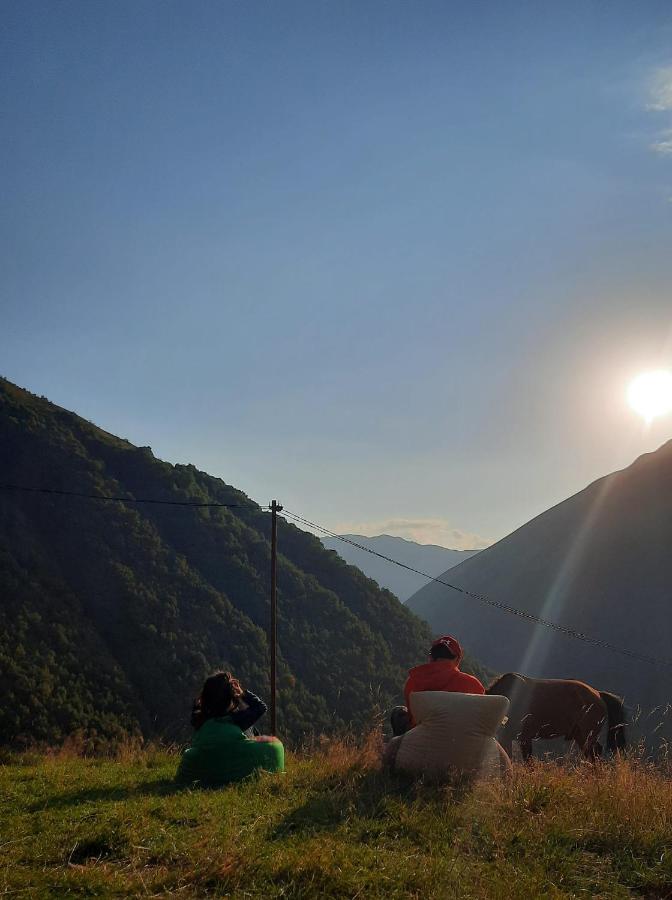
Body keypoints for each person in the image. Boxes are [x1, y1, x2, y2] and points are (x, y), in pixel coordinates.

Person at [176, 671, 284, 786]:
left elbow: (198, 706)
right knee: (251, 729)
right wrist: (242, 693)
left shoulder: (201, 719)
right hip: (237, 752)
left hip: (213, 756)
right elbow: (261, 707)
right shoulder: (237, 720)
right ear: (230, 698)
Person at [390, 635, 485, 736]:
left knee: (398, 713)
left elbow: (412, 717)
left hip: (421, 738)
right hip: (460, 739)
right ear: (457, 660)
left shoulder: (413, 681)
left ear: (431, 657)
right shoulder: (474, 685)